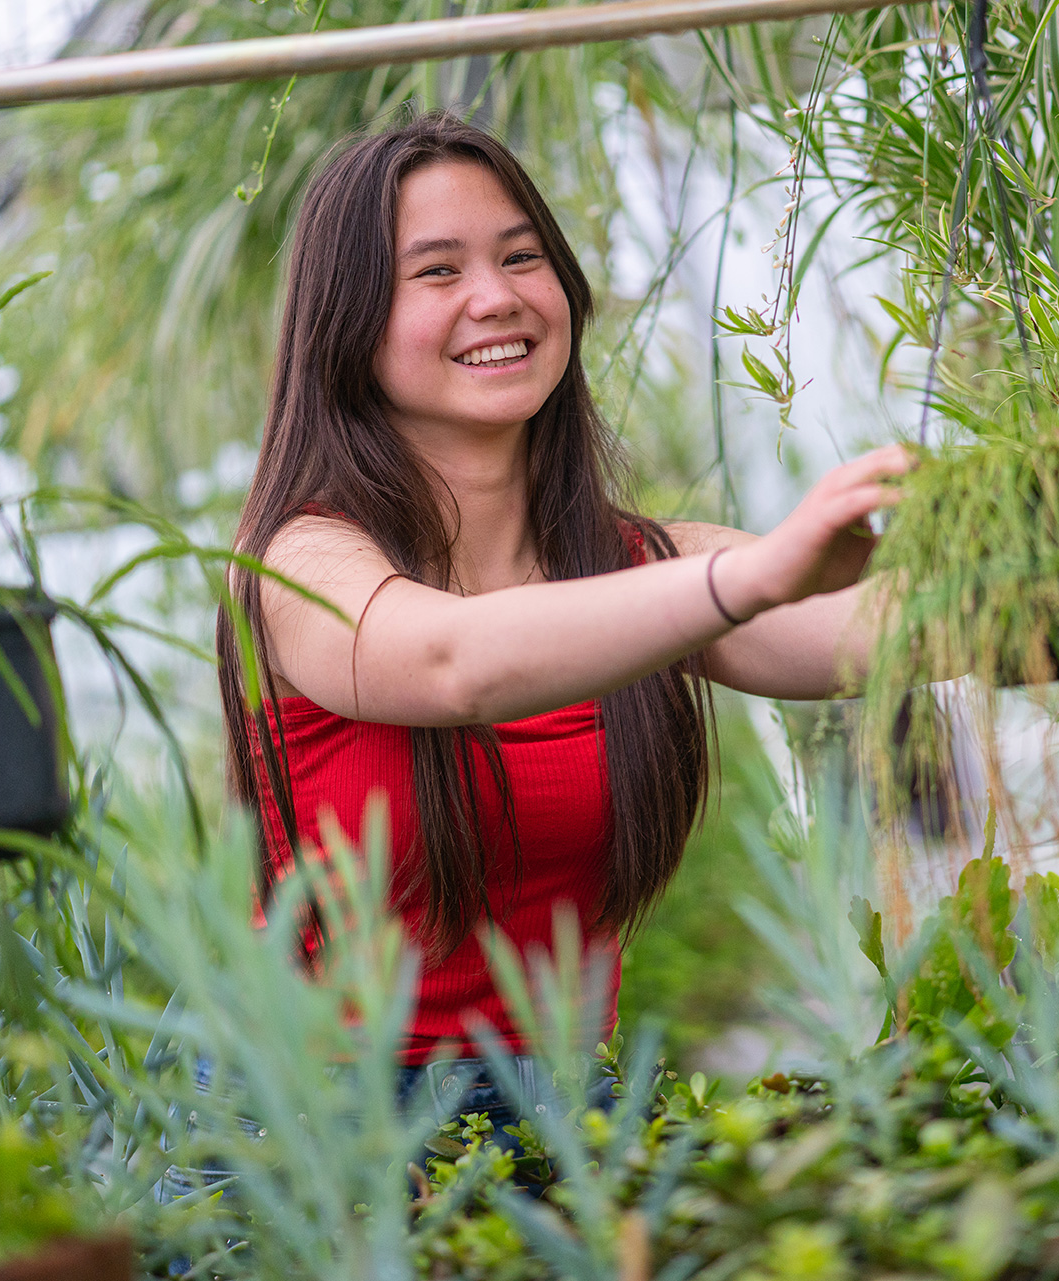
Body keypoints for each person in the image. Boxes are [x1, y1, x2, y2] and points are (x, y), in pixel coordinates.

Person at [213, 111, 908, 1132]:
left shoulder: (633, 567)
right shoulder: (299, 561)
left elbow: (880, 633)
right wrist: (756, 575)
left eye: (522, 256)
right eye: (437, 271)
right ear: (348, 323)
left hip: (563, 1112)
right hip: (321, 1134)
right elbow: (452, 663)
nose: (497, 297)